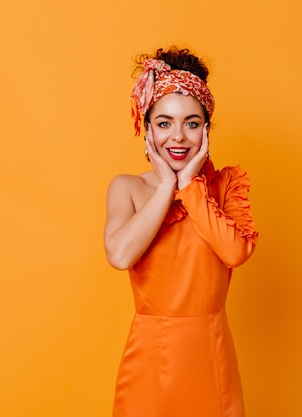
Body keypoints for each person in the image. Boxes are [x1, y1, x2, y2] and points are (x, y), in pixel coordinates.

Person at [104, 46, 259, 417]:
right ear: (147, 128)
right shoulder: (126, 187)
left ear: (206, 130)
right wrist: (164, 187)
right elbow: (120, 255)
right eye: (164, 123)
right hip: (149, 363)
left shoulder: (226, 186)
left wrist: (189, 186)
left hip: (211, 360)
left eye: (191, 123)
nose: (178, 137)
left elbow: (235, 253)